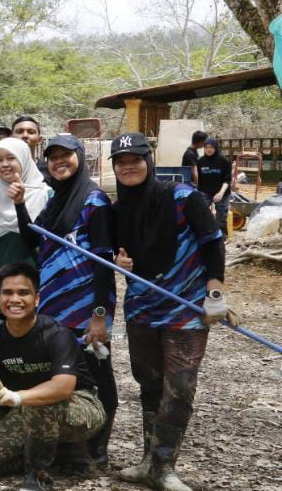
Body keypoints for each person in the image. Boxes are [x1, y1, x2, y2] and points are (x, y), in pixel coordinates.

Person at [108, 133, 228, 491]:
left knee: (179, 388)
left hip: (186, 310)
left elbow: (212, 241)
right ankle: (148, 461)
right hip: (142, 308)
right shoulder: (118, 209)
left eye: (135, 159)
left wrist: (215, 291)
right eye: (121, 161)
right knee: (149, 384)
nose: (128, 166)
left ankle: (165, 467)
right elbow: (121, 252)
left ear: (150, 159)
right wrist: (120, 260)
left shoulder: (182, 196)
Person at [15, 135, 118, 468]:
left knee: (98, 374)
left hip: (88, 307)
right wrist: (19, 204)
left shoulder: (94, 201)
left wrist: (99, 315)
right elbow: (33, 237)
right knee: (62, 374)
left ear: (80, 157)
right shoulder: (56, 200)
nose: (59, 162)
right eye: (53, 157)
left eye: (66, 156)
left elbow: (105, 262)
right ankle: (70, 447)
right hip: (55, 306)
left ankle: (98, 449)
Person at [0, 263, 105, 491]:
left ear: (36, 299)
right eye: (7, 293)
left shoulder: (57, 334)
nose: (14, 299)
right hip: (25, 404)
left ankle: (38, 476)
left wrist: (17, 397)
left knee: (38, 407)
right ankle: (54, 451)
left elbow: (63, 387)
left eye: (23, 293)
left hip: (80, 405)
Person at [0, 137, 51, 294]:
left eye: (11, 158)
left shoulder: (45, 195)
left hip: (37, 279)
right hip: (1, 281)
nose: (5, 164)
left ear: (24, 159)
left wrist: (20, 203)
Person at [195, 139, 233, 238]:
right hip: (205, 192)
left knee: (221, 216)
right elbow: (198, 179)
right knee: (200, 213)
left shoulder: (224, 161)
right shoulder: (200, 161)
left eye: (211, 147)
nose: (209, 150)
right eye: (206, 147)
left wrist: (220, 193)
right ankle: (204, 234)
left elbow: (227, 179)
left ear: (216, 148)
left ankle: (221, 236)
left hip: (222, 192)